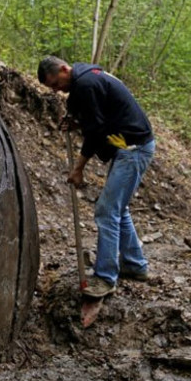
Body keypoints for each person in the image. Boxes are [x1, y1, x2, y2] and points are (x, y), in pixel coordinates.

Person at [37, 56, 156, 298]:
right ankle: (135, 265)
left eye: (55, 84)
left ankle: (105, 277)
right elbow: (99, 118)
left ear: (63, 69)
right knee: (117, 209)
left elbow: (95, 132)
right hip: (131, 145)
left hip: (133, 149)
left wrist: (79, 168)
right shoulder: (88, 78)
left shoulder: (87, 84)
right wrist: (77, 122)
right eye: (51, 88)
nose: (56, 90)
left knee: (106, 210)